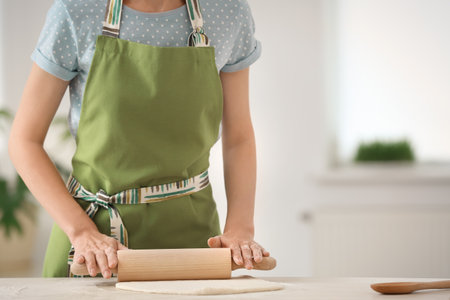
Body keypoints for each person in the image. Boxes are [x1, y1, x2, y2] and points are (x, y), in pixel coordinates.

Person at [8, 0, 269, 278]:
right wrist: (82, 232)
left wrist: (241, 228)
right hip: (95, 242)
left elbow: (239, 136)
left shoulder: (228, 12)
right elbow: (24, 141)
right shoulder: (76, 12)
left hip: (193, 240)